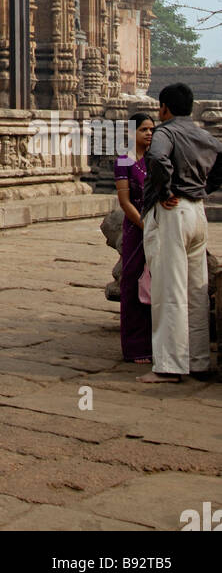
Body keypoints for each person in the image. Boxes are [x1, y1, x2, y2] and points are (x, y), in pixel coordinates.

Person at [139, 83, 222, 384]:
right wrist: (204, 189)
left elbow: (158, 159)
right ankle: (198, 361)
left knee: (169, 289)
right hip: (197, 212)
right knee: (196, 290)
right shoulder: (203, 135)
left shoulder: (165, 132)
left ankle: (169, 366)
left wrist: (166, 190)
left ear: (164, 108)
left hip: (173, 212)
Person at [114, 112, 155, 363]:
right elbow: (124, 201)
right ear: (132, 133)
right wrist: (144, 225)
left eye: (151, 129)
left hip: (156, 225)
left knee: (153, 284)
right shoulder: (124, 161)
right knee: (132, 283)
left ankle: (154, 341)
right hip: (136, 228)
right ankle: (134, 346)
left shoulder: (155, 160)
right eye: (143, 130)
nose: (149, 133)